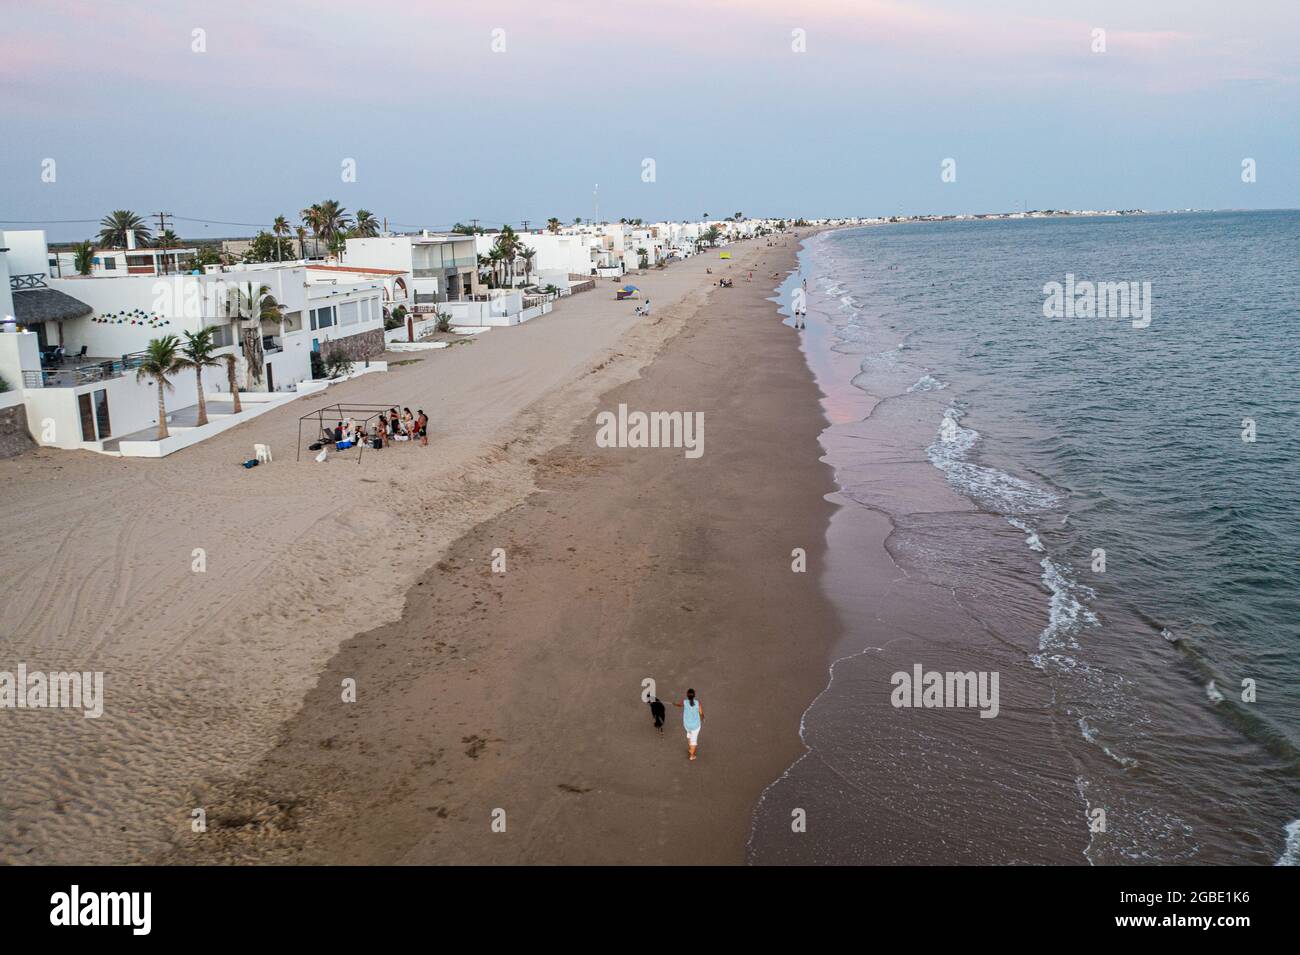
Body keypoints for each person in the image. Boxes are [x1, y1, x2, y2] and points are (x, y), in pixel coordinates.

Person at [672, 688, 704, 761]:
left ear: (687, 695)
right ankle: (692, 756)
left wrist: (674, 704)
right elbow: (701, 713)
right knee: (694, 741)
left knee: (689, 734)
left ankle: (690, 748)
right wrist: (703, 718)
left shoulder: (685, 702)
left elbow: (679, 705)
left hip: (687, 725)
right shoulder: (697, 703)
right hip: (695, 726)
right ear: (694, 695)